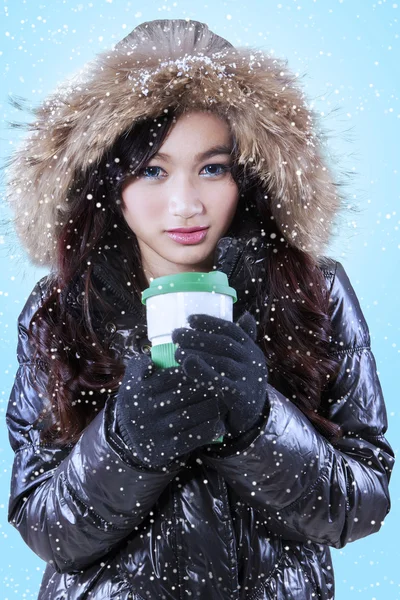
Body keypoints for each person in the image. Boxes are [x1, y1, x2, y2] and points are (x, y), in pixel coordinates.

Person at [4, 18, 394, 600]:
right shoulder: (63, 308)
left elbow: (360, 506)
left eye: (213, 168)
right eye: (152, 170)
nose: (185, 204)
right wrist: (124, 446)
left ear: (249, 177)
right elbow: (43, 526)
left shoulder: (315, 290)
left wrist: (260, 426)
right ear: (110, 181)